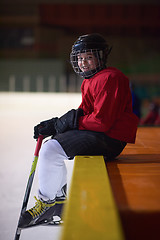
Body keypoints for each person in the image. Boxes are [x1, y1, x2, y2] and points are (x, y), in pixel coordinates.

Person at [19, 33, 139, 228]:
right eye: (80, 58)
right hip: (103, 135)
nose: (83, 62)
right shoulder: (89, 81)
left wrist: (69, 122)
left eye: (88, 57)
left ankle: (49, 203)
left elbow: (101, 122)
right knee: (55, 142)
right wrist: (56, 123)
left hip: (110, 138)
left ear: (100, 57)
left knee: (51, 150)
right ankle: (58, 201)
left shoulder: (110, 78)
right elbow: (85, 112)